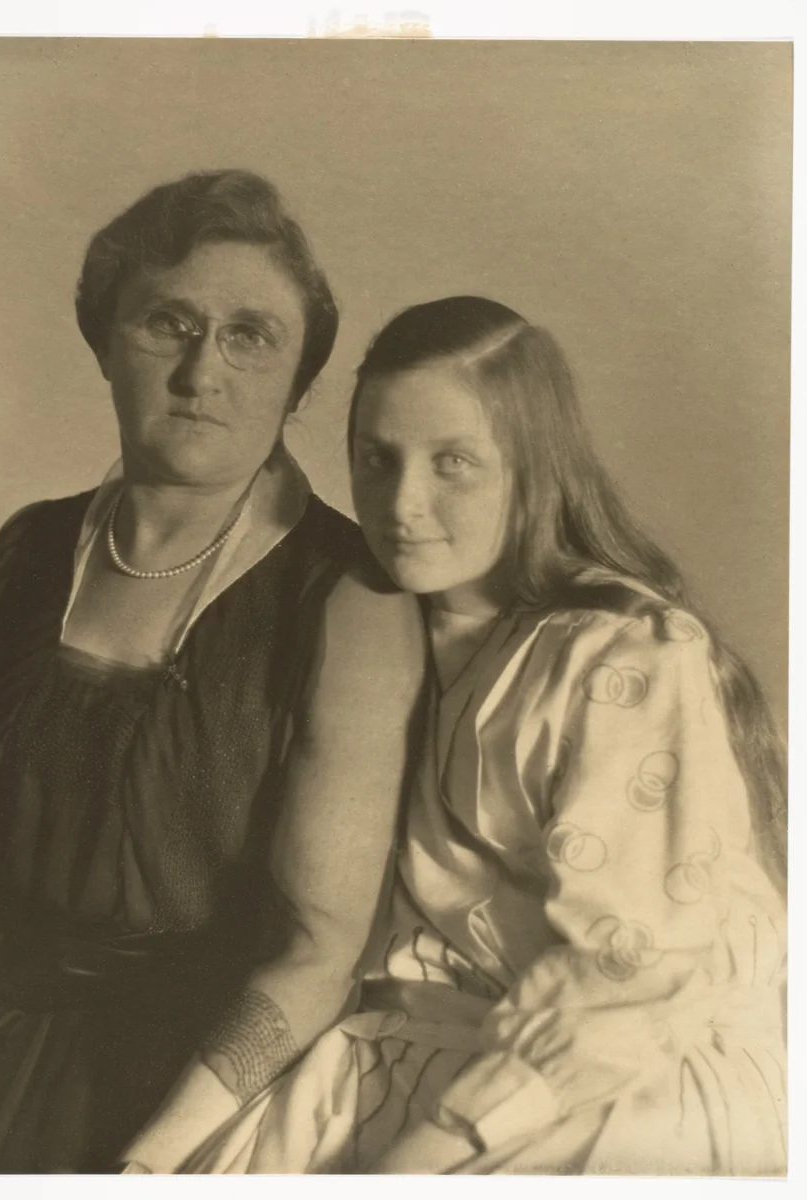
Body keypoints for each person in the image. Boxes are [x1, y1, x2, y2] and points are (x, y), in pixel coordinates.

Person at [0, 170, 427, 1173]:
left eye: (249, 335)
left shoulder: (348, 596)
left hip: (181, 1075)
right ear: (104, 343)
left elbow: (318, 949)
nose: (201, 372)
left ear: (299, 376)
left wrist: (152, 1161)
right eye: (166, 324)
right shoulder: (32, 547)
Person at [179, 296, 788, 1176]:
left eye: (453, 463)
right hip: (411, 1048)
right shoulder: (372, 630)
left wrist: (420, 1164)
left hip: (604, 1084)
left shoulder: (622, 654)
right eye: (377, 460)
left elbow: (627, 982)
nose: (403, 503)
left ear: (532, 468)